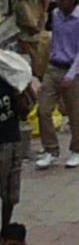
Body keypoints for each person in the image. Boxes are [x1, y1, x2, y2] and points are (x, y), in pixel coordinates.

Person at [34, 0, 79, 169]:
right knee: (43, 110)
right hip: (53, 67)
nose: (60, 2)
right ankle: (50, 149)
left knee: (73, 114)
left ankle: (77, 150)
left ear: (73, 0)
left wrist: (72, 75)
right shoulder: (55, 14)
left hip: (71, 70)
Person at [0, 57, 24, 227]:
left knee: (10, 193)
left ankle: (5, 229)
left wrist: (20, 93)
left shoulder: (8, 79)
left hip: (11, 140)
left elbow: (24, 111)